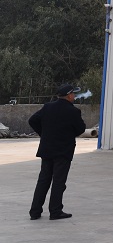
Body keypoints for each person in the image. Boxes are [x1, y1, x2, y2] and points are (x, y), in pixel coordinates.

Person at [28, 83, 86, 220]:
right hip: (63, 151)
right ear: (69, 95)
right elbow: (80, 129)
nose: (74, 96)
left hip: (47, 149)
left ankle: (35, 211)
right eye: (73, 94)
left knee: (43, 180)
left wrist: (44, 133)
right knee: (58, 181)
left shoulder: (47, 107)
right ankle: (55, 211)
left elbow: (32, 120)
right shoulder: (73, 111)